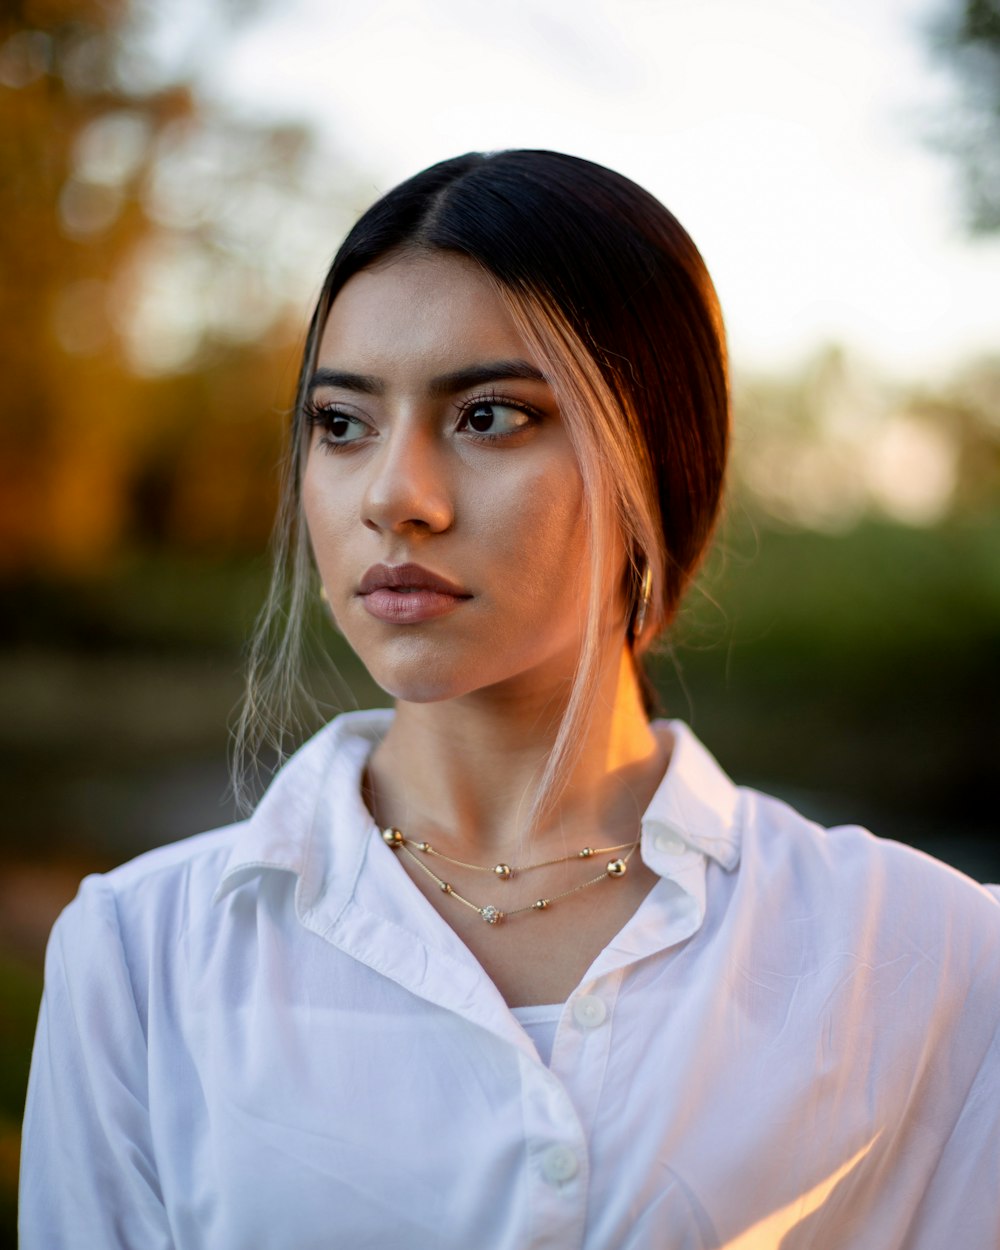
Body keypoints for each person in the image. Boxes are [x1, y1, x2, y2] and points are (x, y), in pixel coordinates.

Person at [19, 150, 999, 1249]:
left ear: (660, 461)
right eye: (342, 423)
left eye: (488, 415)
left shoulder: (932, 954)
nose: (394, 495)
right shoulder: (139, 954)